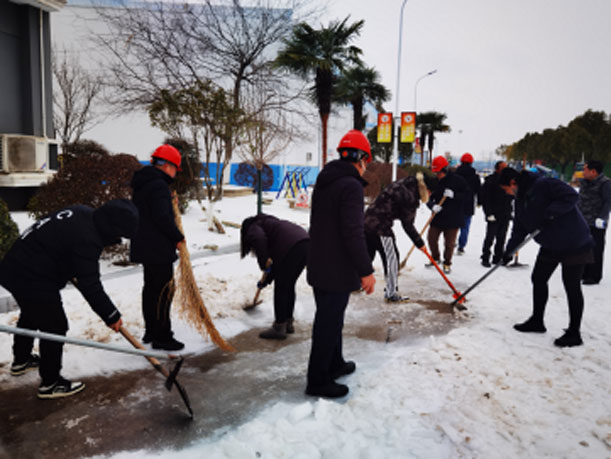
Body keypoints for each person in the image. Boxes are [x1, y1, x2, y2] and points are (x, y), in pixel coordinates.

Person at [0, 199, 138, 399]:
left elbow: (61, 242)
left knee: (32, 311)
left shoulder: (83, 213)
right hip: (29, 274)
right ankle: (51, 383)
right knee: (55, 325)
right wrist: (111, 315)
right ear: (111, 228)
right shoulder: (88, 239)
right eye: (119, 234)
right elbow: (91, 285)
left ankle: (22, 360)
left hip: (15, 265)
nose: (118, 239)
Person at [306, 129, 376, 399]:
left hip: (320, 263)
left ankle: (334, 363)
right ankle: (318, 380)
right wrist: (366, 270)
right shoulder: (351, 186)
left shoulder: (326, 181)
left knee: (331, 319)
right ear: (361, 159)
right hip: (336, 268)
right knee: (328, 323)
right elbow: (353, 232)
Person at [500, 168, 593, 347]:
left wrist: (551, 212)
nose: (507, 193)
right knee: (538, 278)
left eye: (506, 189)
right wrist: (508, 252)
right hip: (550, 243)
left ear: (513, 183)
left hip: (574, 241)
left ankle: (574, 333)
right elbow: (519, 230)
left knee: (571, 285)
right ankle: (537, 321)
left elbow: (571, 196)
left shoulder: (544, 184)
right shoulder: (519, 202)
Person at [130, 144, 185, 351]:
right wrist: (177, 237)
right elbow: (162, 217)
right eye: (175, 169)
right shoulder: (159, 186)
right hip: (158, 248)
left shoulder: (143, 182)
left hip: (144, 246)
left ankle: (151, 331)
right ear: (167, 166)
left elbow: (150, 210)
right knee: (164, 292)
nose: (175, 174)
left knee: (151, 290)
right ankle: (163, 337)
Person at [240, 213, 309, 339]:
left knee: (281, 287)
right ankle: (288, 323)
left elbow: (259, 239)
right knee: (288, 285)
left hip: (292, 246)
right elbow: (276, 264)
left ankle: (279, 327)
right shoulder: (269, 224)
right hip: (305, 243)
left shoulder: (254, 227)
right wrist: (267, 279)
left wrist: (263, 263)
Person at [364, 175, 428, 302]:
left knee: (366, 255)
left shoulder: (403, 184)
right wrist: (420, 243)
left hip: (366, 220)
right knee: (391, 258)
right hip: (380, 227)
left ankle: (355, 283)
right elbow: (408, 225)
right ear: (426, 189)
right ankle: (391, 293)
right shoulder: (410, 197)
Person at [426, 156, 468, 274]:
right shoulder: (434, 181)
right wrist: (432, 206)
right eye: (435, 172)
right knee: (431, 238)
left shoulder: (458, 180)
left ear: (445, 169)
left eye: (439, 172)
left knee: (449, 244)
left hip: (453, 217)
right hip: (437, 216)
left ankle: (447, 263)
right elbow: (427, 197)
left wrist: (454, 195)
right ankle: (436, 258)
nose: (437, 175)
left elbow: (467, 196)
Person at [578, 160, 611, 285]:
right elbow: (579, 200)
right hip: (583, 220)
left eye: (585, 169)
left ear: (593, 172)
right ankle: (584, 272)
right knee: (583, 247)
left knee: (596, 248)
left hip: (596, 222)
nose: (583, 172)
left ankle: (594, 275)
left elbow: (608, 202)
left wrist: (602, 218)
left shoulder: (605, 183)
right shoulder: (584, 182)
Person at [479, 160, 513, 267]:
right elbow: (485, 198)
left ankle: (497, 257)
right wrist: (488, 213)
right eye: (503, 168)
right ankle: (485, 257)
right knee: (490, 237)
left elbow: (512, 196)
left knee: (501, 237)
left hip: (505, 213)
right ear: (497, 169)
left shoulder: (509, 181)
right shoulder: (490, 181)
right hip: (493, 213)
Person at [455, 153, 481, 255]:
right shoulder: (475, 176)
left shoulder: (456, 174)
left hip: (455, 203)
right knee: (465, 226)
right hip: (468, 204)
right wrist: (479, 201)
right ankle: (461, 247)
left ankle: (451, 242)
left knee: (453, 225)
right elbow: (479, 190)